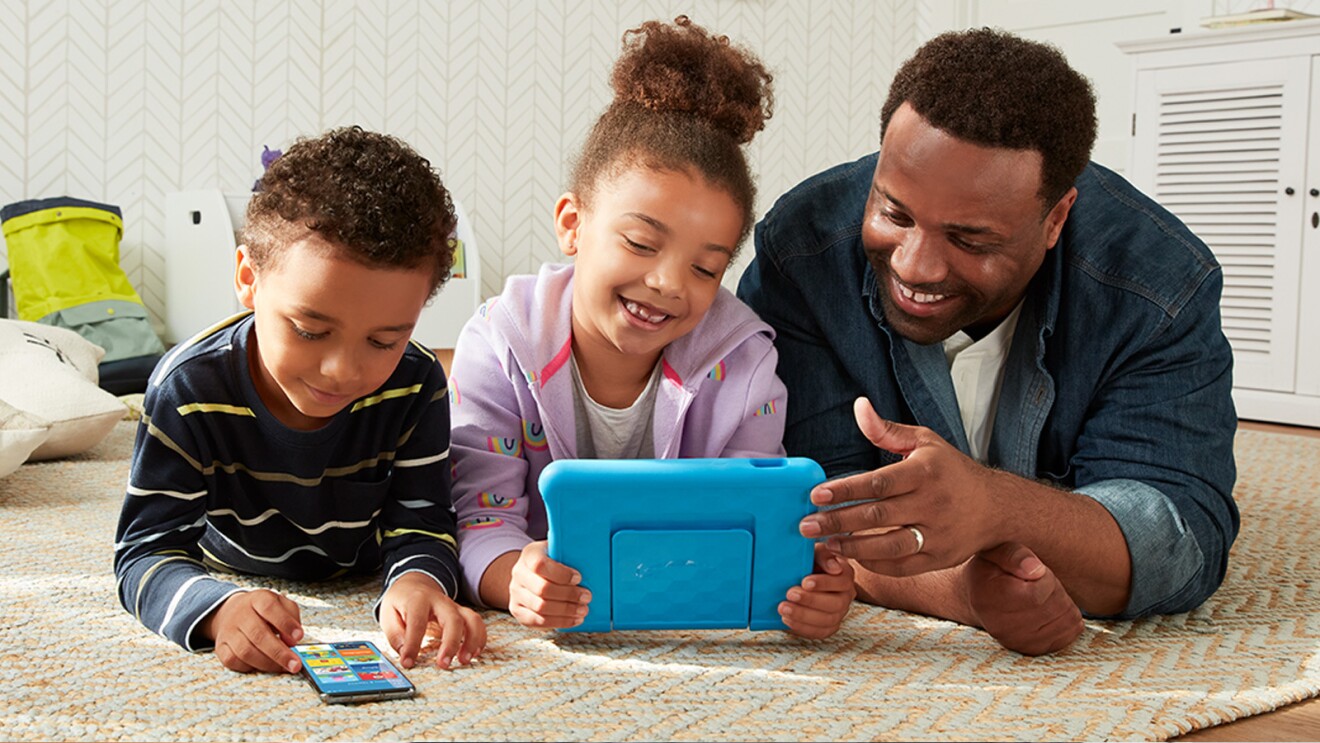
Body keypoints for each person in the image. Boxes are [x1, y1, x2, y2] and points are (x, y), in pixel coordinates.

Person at [737, 27, 1239, 655]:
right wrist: (968, 593)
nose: (916, 267)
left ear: (1056, 218)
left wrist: (999, 506)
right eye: (895, 213)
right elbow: (809, 510)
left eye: (971, 240)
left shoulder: (1158, 285)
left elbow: (1180, 538)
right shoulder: (803, 250)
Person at [450, 16, 855, 639]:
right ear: (573, 223)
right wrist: (514, 579)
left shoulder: (744, 364)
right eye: (641, 243)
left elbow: (755, 528)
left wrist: (807, 586)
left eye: (705, 267)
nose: (669, 283)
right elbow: (481, 517)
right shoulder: (502, 343)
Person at [114, 126, 486, 674]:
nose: (342, 371)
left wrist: (417, 579)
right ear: (248, 278)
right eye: (311, 330)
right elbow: (145, 552)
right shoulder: (188, 388)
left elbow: (423, 520)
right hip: (235, 561)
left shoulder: (415, 382)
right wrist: (217, 609)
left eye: (384, 340)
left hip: (359, 561)